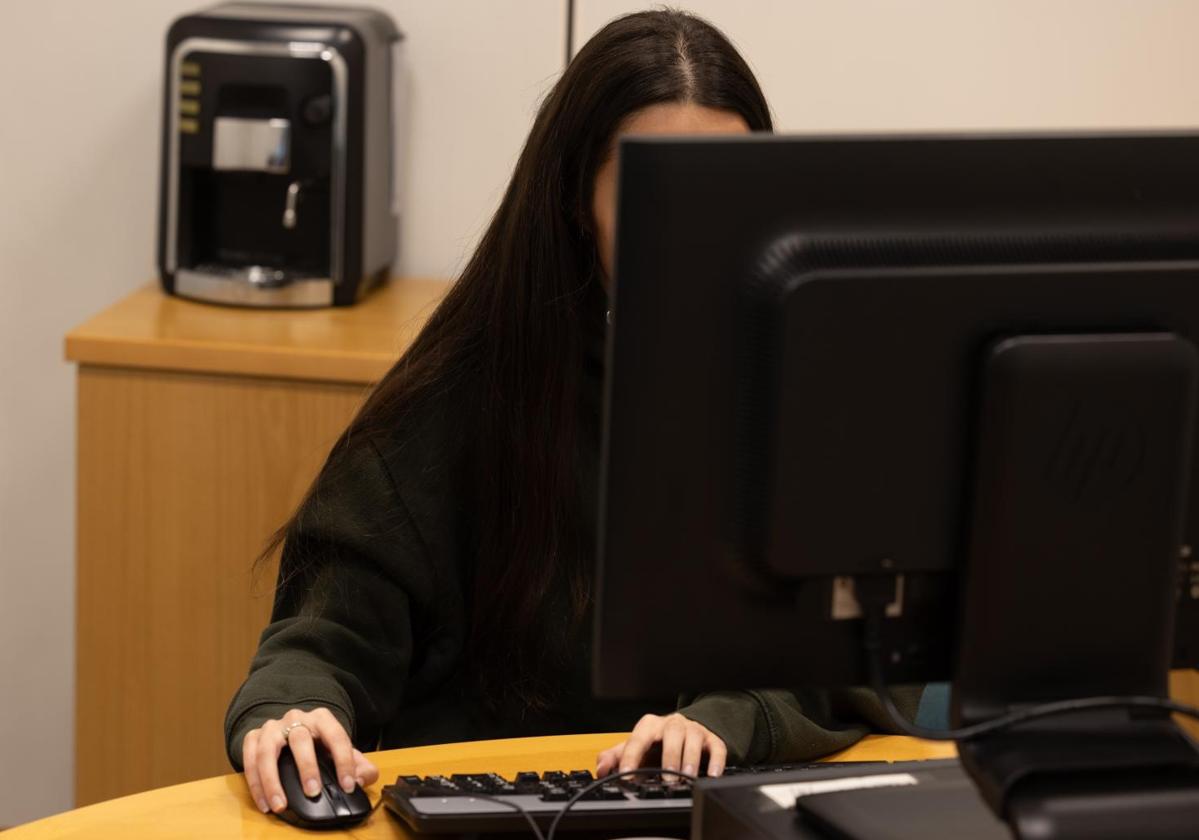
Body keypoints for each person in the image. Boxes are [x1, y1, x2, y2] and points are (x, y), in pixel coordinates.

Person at [226, 9, 927, 817]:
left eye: (725, 196)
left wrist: (734, 719)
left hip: (723, 814)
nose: (698, 236)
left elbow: (862, 658)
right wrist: (294, 712)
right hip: (510, 817)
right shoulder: (466, 391)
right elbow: (328, 639)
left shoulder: (808, 393)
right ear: (574, 203)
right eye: (656, 196)